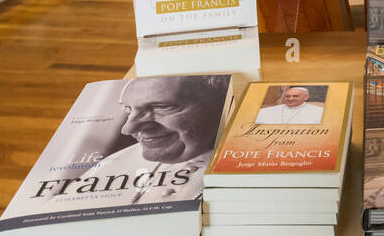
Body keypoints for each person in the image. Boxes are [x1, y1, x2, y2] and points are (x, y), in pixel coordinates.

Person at [79, 75, 231, 204]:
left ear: (225, 100)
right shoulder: (113, 166)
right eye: (128, 109)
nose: (128, 129)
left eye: (162, 107)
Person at [256, 85, 324, 124]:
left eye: (295, 96)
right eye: (287, 96)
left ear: (306, 97)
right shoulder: (265, 111)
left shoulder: (319, 112)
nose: (290, 99)